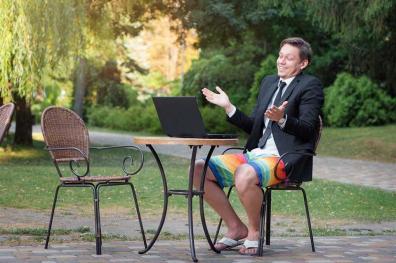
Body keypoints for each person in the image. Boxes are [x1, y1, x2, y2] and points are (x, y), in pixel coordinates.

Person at [193, 37, 324, 255]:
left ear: (303, 64)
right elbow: (254, 126)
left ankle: (254, 232)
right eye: (280, 56)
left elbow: (309, 128)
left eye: (289, 58)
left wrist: (283, 119)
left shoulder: (310, 86)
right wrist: (228, 107)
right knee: (198, 169)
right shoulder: (269, 82)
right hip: (255, 155)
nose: (281, 61)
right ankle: (236, 228)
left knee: (245, 173)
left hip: (284, 159)